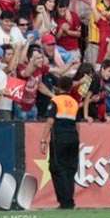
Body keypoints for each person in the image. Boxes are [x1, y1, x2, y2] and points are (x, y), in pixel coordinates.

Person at [39, 76, 80, 209]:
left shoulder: (55, 101)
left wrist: (43, 140)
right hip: (73, 137)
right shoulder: (74, 102)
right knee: (70, 169)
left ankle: (65, 201)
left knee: (57, 168)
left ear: (58, 87)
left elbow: (50, 121)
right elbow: (78, 124)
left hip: (59, 138)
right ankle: (69, 200)